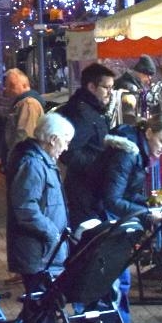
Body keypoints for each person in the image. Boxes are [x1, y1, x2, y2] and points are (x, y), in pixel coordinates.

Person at [74, 112, 162, 323]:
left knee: (117, 281)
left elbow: (125, 194)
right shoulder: (127, 154)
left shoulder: (137, 152)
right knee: (113, 280)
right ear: (149, 132)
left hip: (103, 215)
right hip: (96, 215)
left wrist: (150, 203)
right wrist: (148, 213)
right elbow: (112, 199)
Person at [7, 113, 73, 290]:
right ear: (52, 139)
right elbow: (25, 208)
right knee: (40, 309)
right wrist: (53, 233)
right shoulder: (33, 164)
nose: (66, 148)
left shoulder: (43, 162)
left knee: (41, 309)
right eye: (66, 141)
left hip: (44, 252)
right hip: (39, 252)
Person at [56, 62, 117, 216]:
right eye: (107, 88)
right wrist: (99, 164)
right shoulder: (82, 113)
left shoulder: (93, 111)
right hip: (84, 191)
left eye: (112, 88)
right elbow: (69, 153)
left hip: (91, 189)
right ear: (91, 87)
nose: (110, 93)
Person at [0, 68, 44, 175]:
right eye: (7, 85)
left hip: (22, 167)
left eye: (12, 85)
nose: (7, 89)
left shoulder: (28, 104)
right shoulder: (22, 104)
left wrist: (13, 162)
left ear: (25, 86)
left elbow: (24, 136)